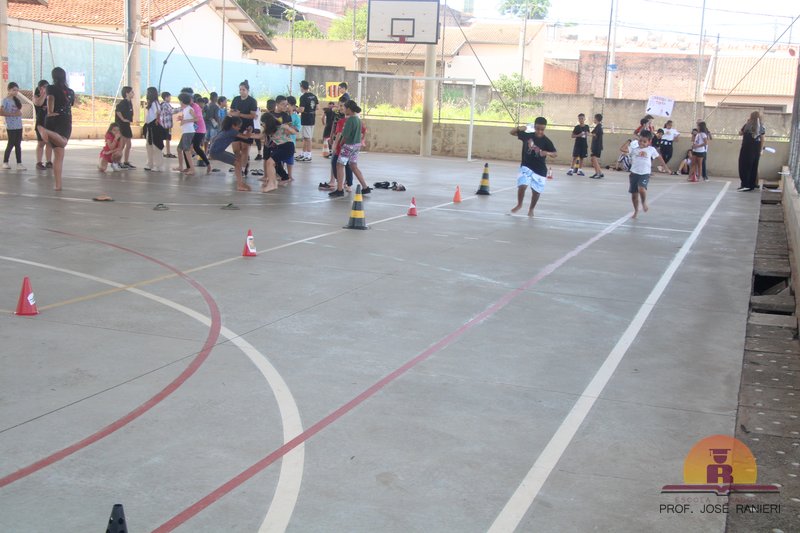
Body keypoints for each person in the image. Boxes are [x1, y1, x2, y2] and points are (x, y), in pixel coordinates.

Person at [509, 117, 556, 217]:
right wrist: (519, 128)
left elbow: (555, 153)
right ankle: (519, 204)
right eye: (538, 128)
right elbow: (511, 132)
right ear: (534, 126)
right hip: (526, 165)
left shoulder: (546, 141)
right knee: (522, 185)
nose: (540, 131)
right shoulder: (527, 136)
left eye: (542, 129)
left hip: (540, 169)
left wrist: (547, 153)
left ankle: (531, 209)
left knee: (536, 192)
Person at [37, 66, 74, 191]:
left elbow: (50, 98)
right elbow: (50, 98)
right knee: (62, 144)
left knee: (58, 154)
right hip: (64, 120)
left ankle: (58, 185)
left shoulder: (51, 88)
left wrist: (50, 113)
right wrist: (50, 111)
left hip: (51, 121)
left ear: (53, 77)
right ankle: (45, 131)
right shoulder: (70, 92)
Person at [329, 100, 368, 197]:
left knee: (339, 165)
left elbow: (345, 135)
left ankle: (339, 189)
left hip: (348, 146)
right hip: (356, 146)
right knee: (353, 166)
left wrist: (341, 143)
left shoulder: (350, 120)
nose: (344, 109)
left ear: (349, 109)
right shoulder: (358, 120)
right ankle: (365, 187)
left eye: (345, 108)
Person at [628, 130, 669, 219]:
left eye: (644, 141)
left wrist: (665, 167)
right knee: (634, 195)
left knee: (641, 189)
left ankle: (643, 202)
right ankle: (636, 211)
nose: (641, 143)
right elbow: (623, 150)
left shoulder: (651, 149)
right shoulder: (634, 149)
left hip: (644, 173)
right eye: (640, 141)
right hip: (634, 173)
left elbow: (659, 157)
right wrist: (629, 142)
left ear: (649, 142)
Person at [209, 115, 253, 191]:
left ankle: (240, 183)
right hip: (216, 152)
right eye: (239, 127)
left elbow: (213, 139)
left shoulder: (225, 130)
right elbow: (246, 137)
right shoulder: (232, 131)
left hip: (216, 151)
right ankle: (240, 184)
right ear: (233, 125)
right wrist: (250, 130)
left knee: (238, 161)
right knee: (237, 163)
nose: (239, 128)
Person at [229, 80, 258, 180]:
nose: (241, 91)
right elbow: (231, 112)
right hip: (236, 127)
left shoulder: (252, 101)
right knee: (236, 149)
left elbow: (252, 115)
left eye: (243, 90)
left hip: (247, 127)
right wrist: (234, 114)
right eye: (240, 89)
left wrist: (240, 114)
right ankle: (237, 165)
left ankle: (243, 168)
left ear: (247, 90)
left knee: (245, 148)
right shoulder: (236, 99)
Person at [737, 111, 766, 192]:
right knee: (753, 166)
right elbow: (762, 138)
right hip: (756, 148)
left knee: (744, 166)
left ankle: (745, 184)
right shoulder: (761, 126)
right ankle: (751, 185)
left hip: (747, 148)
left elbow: (740, 133)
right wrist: (761, 150)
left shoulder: (747, 125)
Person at [1, 82, 25, 170]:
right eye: (14, 90)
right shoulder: (5, 100)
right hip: (11, 126)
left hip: (19, 125)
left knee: (18, 144)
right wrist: (12, 114)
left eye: (17, 90)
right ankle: (5, 162)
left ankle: (19, 163)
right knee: (11, 143)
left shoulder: (16, 100)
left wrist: (18, 113)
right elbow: (1, 112)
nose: (15, 92)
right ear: (9, 90)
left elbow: (18, 112)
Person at [143, 87, 165, 172]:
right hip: (149, 126)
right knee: (149, 145)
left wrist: (157, 120)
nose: (146, 94)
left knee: (156, 146)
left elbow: (158, 112)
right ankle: (150, 164)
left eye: (148, 92)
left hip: (154, 126)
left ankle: (158, 165)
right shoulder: (151, 103)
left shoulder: (155, 103)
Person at [33, 80, 53, 170]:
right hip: (40, 123)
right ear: (39, 88)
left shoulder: (50, 97)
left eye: (46, 87)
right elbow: (39, 103)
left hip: (49, 122)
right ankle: (39, 162)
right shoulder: (36, 97)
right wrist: (44, 94)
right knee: (41, 143)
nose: (45, 89)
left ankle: (49, 161)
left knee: (49, 142)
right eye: (43, 87)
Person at [175, 92, 196, 176]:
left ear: (182, 101)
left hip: (189, 132)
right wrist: (182, 119)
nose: (179, 102)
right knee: (179, 149)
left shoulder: (190, 109)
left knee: (187, 151)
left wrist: (185, 121)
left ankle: (192, 169)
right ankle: (180, 166)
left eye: (180, 101)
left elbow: (196, 119)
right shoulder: (185, 109)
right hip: (185, 132)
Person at [298, 80, 319, 161]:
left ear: (302, 87)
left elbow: (302, 109)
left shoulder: (303, 97)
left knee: (308, 138)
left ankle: (309, 155)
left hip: (306, 119)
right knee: (305, 137)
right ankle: (304, 154)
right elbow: (317, 107)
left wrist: (296, 109)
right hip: (312, 118)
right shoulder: (314, 96)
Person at [115, 86, 135, 168]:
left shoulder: (129, 102)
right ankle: (118, 162)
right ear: (127, 93)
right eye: (131, 92)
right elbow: (118, 111)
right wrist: (123, 119)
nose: (133, 93)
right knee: (122, 145)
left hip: (127, 125)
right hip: (122, 125)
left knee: (128, 145)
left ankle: (126, 162)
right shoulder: (123, 102)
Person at [160, 92, 176, 158]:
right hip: (166, 125)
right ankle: (168, 153)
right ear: (166, 97)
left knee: (165, 139)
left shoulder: (163, 104)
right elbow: (172, 111)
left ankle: (165, 152)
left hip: (163, 124)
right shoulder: (165, 104)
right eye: (169, 97)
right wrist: (182, 108)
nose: (170, 98)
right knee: (167, 139)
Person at [589, 113, 603, 179]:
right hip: (595, 145)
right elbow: (592, 133)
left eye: (594, 118)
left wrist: (587, 134)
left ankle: (598, 174)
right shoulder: (597, 126)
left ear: (596, 119)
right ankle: (599, 172)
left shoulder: (599, 126)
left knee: (594, 158)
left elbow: (594, 134)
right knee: (593, 159)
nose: (593, 119)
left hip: (597, 146)